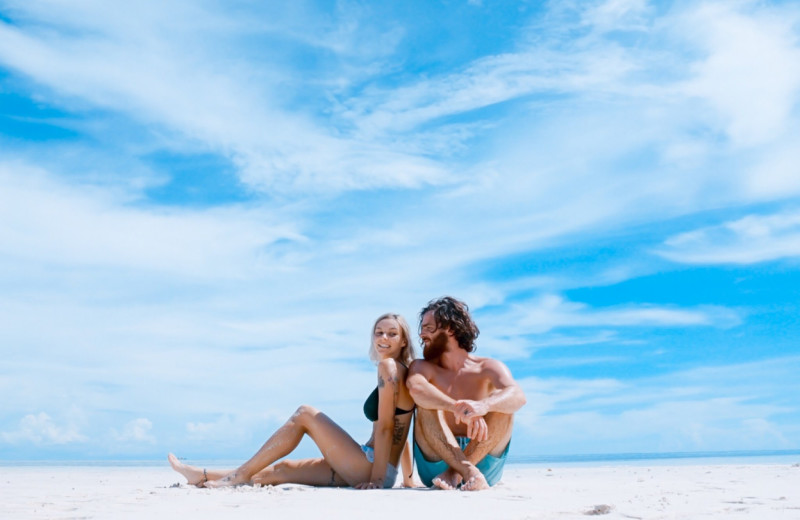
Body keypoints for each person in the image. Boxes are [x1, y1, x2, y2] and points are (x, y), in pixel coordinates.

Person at [168, 313, 418, 489]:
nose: (383, 338)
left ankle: (239, 475)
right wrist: (404, 478)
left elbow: (386, 428)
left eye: (392, 334)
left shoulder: (388, 368)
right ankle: (199, 475)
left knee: (305, 414)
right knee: (282, 470)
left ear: (403, 340)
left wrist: (376, 480)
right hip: (376, 466)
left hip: (371, 467)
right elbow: (402, 430)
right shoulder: (403, 372)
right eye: (379, 332)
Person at [407, 296, 526, 491]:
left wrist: (484, 405)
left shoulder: (488, 366)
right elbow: (416, 389)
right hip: (437, 460)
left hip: (483, 459)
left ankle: (456, 473)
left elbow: (518, 396)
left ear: (451, 329)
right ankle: (464, 470)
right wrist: (458, 407)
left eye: (428, 328)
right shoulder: (422, 367)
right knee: (427, 403)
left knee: (504, 405)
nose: (421, 335)